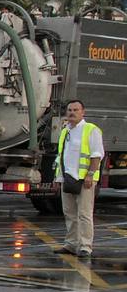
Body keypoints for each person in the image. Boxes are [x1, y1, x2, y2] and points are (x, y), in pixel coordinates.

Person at [55, 99, 104, 260]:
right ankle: (71, 244)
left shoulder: (91, 130)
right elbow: (61, 156)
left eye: (76, 110)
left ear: (83, 112)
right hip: (67, 179)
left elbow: (97, 155)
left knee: (84, 214)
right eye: (69, 110)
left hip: (84, 180)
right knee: (69, 213)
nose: (72, 113)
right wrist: (59, 177)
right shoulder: (65, 131)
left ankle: (85, 246)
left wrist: (90, 175)